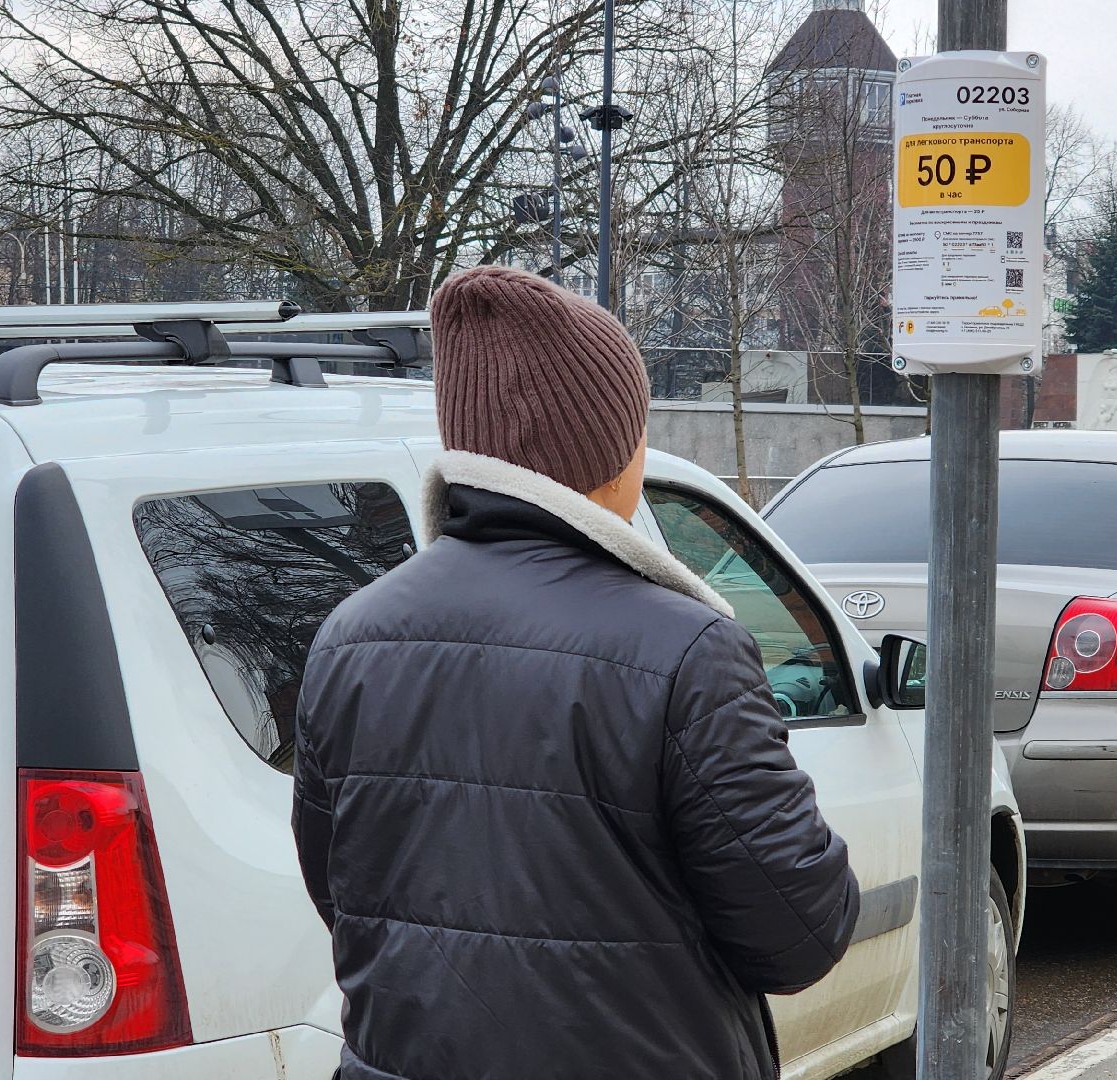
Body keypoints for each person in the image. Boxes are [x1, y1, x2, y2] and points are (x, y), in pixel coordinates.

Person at [292, 265, 860, 1080]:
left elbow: (342, 893)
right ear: (606, 451)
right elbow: (799, 933)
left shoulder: (350, 636)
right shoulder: (688, 650)